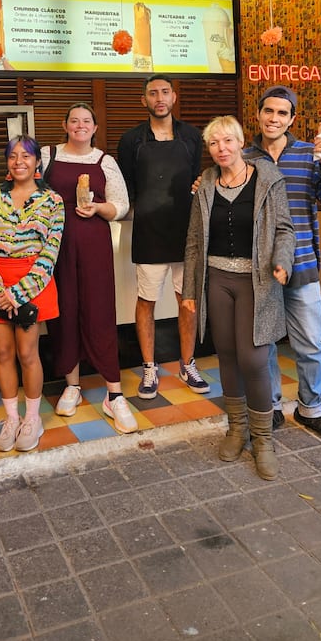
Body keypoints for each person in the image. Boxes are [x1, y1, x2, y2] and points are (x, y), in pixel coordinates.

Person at [182, 115, 294, 479]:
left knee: (254, 358)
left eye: (228, 141)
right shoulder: (206, 184)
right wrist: (189, 291)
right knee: (227, 355)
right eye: (214, 143)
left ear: (241, 142)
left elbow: (285, 229)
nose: (221, 148)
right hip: (217, 280)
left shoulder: (268, 179)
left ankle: (263, 440)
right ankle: (236, 428)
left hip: (256, 281)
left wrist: (282, 261)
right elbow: (194, 240)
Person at [244, 85, 321, 443]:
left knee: (311, 345)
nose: (274, 118)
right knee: (265, 345)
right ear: (258, 114)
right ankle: (270, 406)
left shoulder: (308, 154)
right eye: (268, 111)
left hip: (302, 264)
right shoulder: (244, 157)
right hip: (260, 270)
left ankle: (311, 409)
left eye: (282, 113)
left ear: (292, 119)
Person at [42, 103, 137, 434]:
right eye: (74, 120)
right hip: (56, 244)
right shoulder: (47, 156)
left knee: (99, 311)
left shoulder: (105, 161)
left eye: (86, 121)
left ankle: (114, 392)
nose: (80, 125)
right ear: (65, 125)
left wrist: (98, 208)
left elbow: (121, 206)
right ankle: (72, 385)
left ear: (95, 127)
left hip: (94, 243)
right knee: (64, 310)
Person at [118, 74, 208, 399]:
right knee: (146, 301)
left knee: (188, 301)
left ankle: (188, 363)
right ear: (144, 100)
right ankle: (149, 367)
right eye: (153, 93)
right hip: (149, 233)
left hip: (186, 232)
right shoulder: (131, 140)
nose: (159, 98)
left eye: (165, 92)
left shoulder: (192, 136)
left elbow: (197, 180)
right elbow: (126, 186)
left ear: (173, 97)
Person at [0, 136, 64, 453]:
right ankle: (11, 419)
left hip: (33, 281)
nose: (19, 161)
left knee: (27, 353)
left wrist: (18, 293)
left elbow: (50, 252)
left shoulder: (52, 201)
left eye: (26, 156)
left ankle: (32, 419)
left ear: (37, 161)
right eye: (12, 156)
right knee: (3, 352)